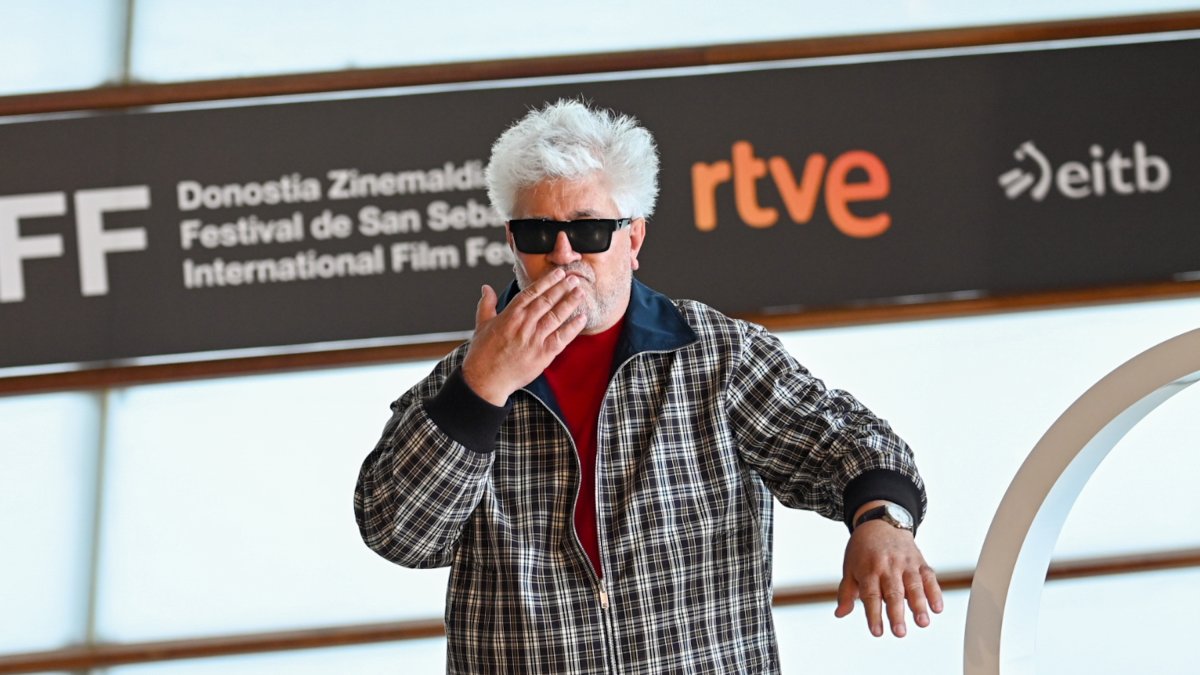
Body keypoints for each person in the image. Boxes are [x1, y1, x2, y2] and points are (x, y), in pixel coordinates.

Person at [355, 99, 942, 673]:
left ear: (633, 239)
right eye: (538, 232)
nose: (562, 255)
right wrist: (483, 386)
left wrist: (883, 520)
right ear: (513, 242)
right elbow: (398, 534)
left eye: (588, 230)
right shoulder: (465, 379)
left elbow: (848, 440)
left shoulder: (714, 353)